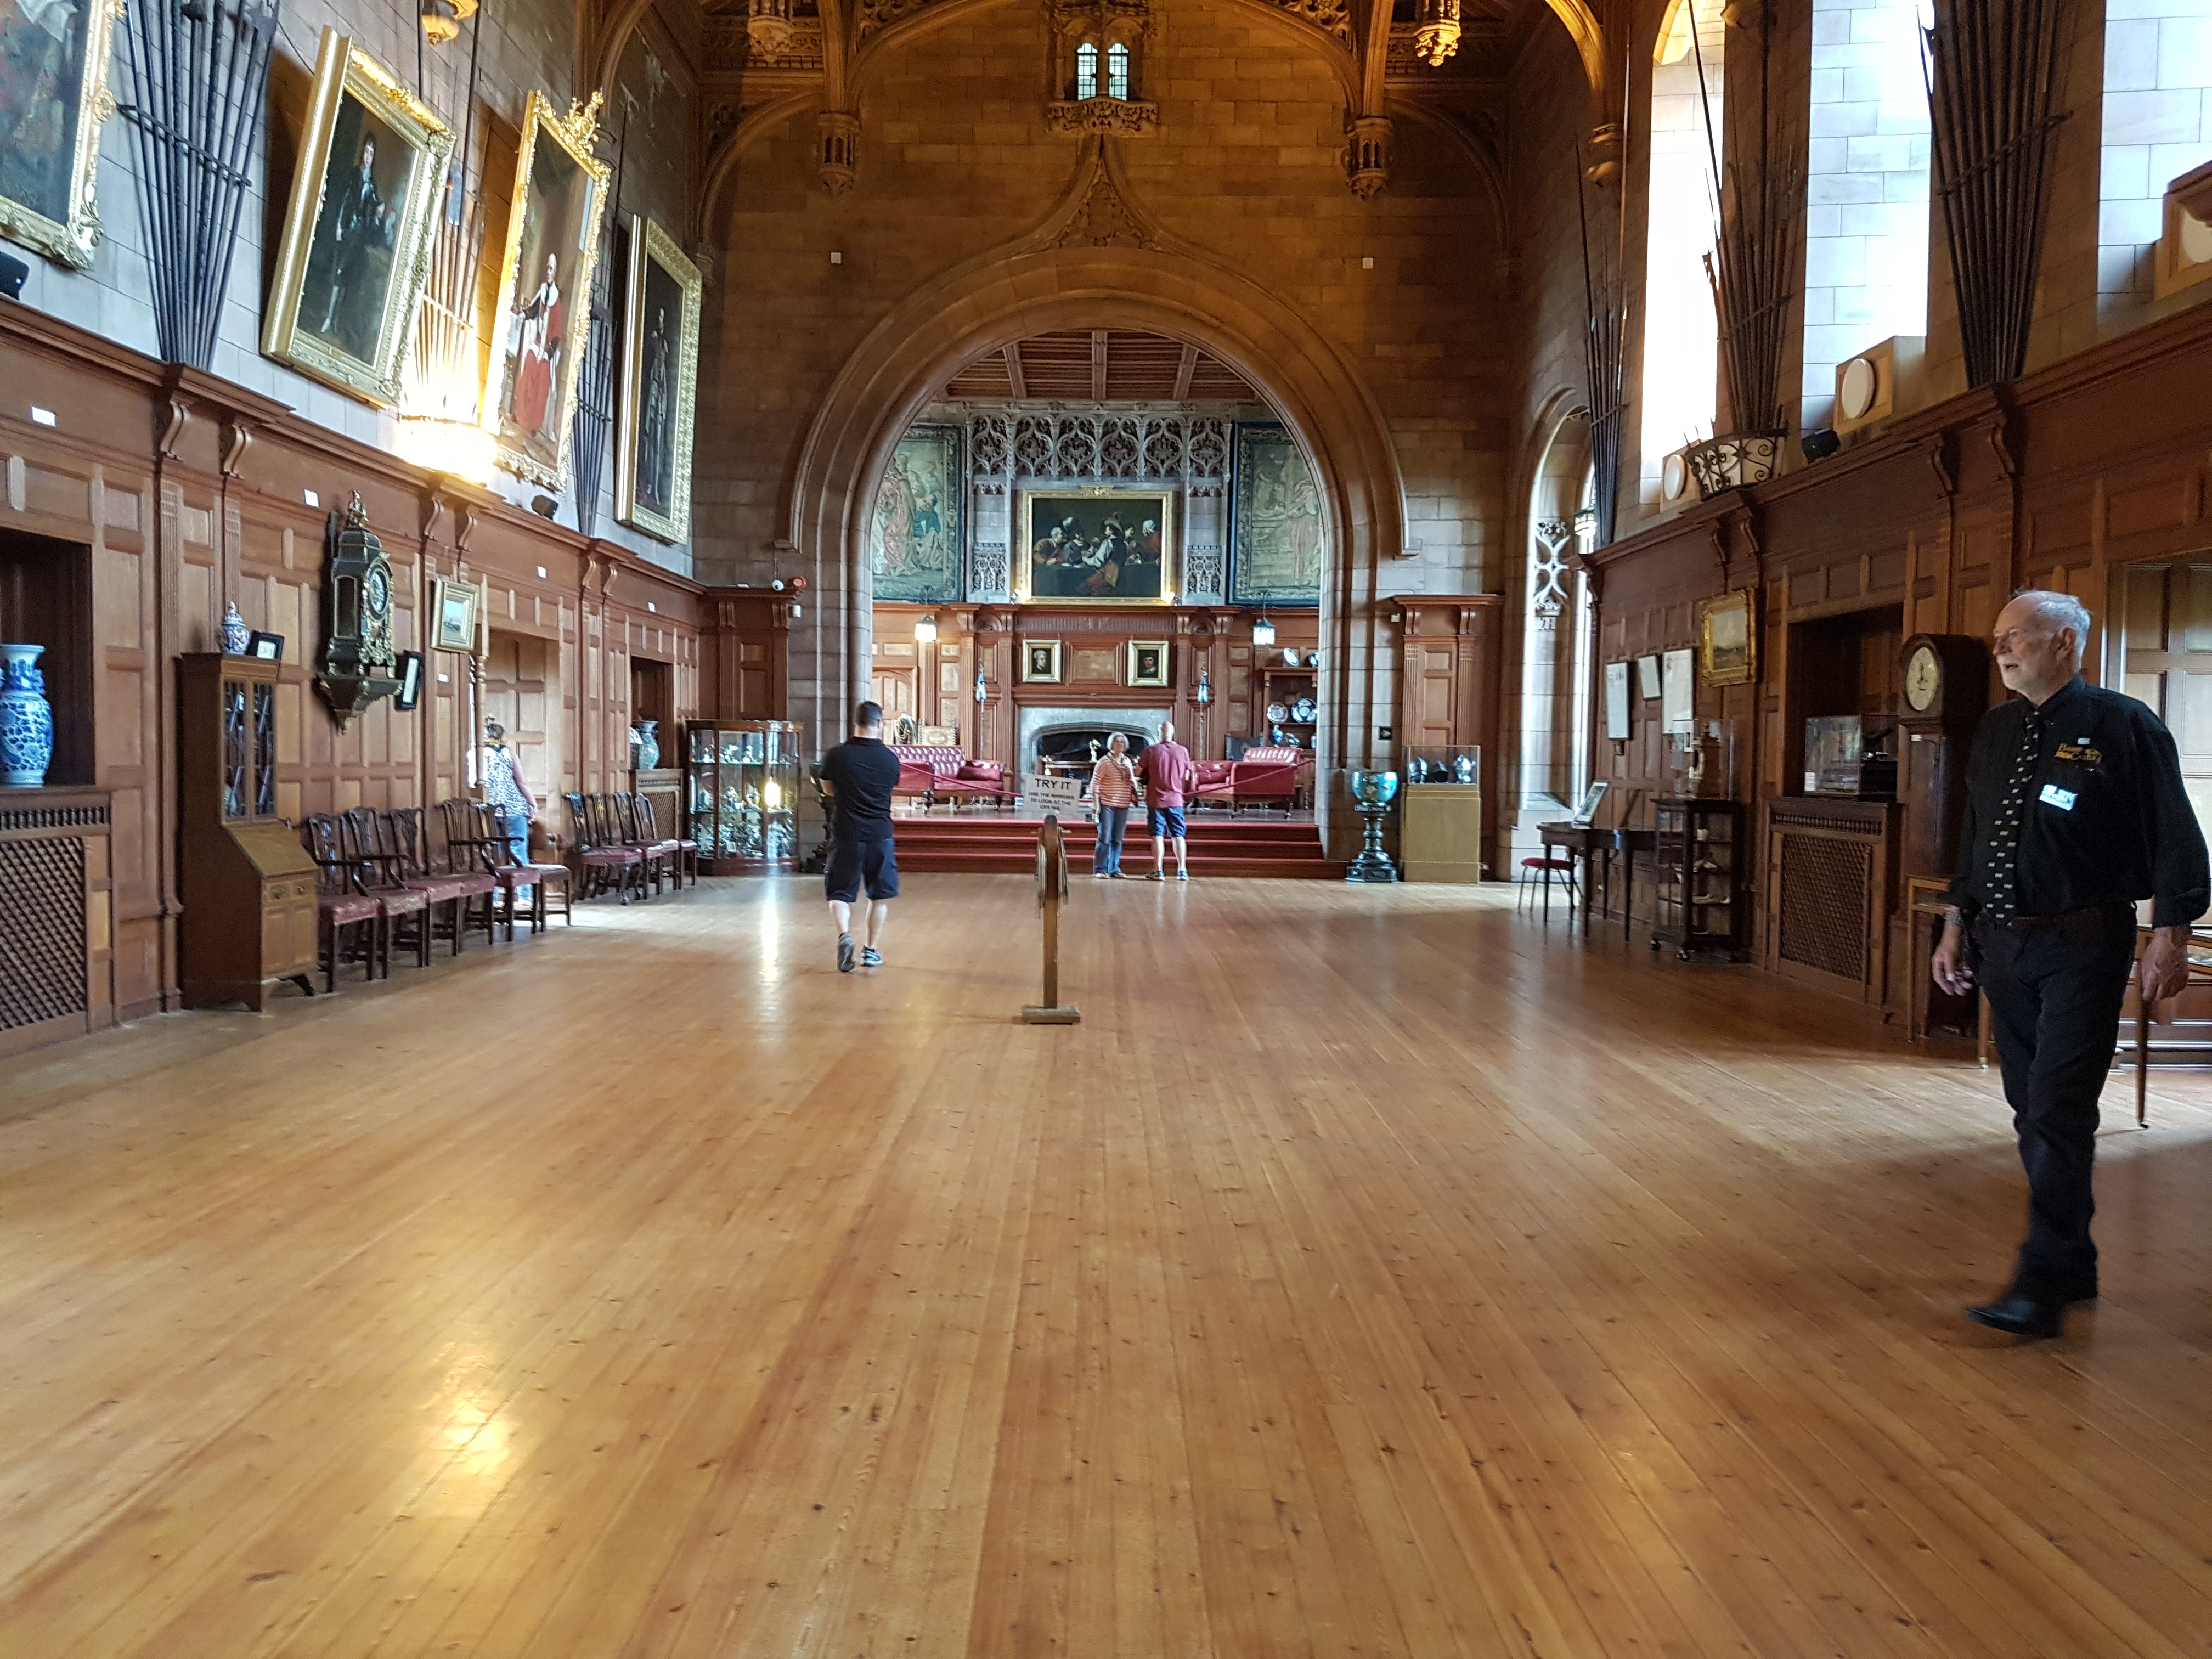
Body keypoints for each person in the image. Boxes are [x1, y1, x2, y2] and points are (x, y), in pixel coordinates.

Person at [1932, 590, 2208, 1340]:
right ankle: (2075, 1259)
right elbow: (1976, 837)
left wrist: (2171, 933)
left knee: (2056, 1107)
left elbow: (2174, 834)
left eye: (2015, 638)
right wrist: (1956, 922)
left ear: (2064, 642)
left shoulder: (2122, 725)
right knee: (2033, 1110)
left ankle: (2040, 1285)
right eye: (1997, 640)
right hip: (2003, 946)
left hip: (2084, 944)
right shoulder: (1994, 731)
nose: (2002, 652)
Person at [818, 699, 903, 972]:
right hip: (880, 835)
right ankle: (871, 951)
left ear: (855, 722)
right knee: (879, 896)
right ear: (880, 723)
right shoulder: (890, 760)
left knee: (840, 893)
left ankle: (844, 936)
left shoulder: (836, 756)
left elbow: (829, 790)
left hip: (846, 833)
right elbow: (889, 790)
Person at [481, 721, 535, 901]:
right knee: (519, 850)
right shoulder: (508, 753)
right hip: (513, 808)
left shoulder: (479, 753)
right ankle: (526, 896)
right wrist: (532, 804)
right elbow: (521, 782)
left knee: (490, 853)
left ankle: (494, 898)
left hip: (487, 810)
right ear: (502, 736)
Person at [1137, 718, 1197, 881]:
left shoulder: (1151, 750)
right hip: (1176, 799)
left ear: (1158, 734)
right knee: (1179, 835)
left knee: (1157, 835)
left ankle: (1158, 870)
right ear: (1173, 733)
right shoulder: (1183, 751)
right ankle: (1182, 870)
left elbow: (1137, 772)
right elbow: (1187, 775)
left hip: (1156, 800)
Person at [1090, 732, 1138, 879]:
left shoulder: (1127, 762)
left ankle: (1114, 868)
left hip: (1123, 805)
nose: (1121, 745)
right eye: (1118, 742)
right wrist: (1096, 804)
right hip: (1107, 804)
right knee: (1105, 837)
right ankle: (1100, 869)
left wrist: (1135, 790)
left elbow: (1132, 781)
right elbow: (1095, 783)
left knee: (1118, 839)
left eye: (1123, 742)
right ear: (1112, 744)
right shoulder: (1104, 762)